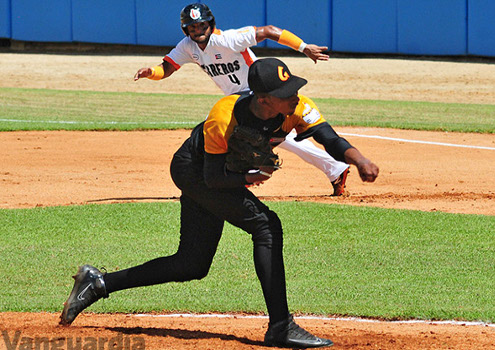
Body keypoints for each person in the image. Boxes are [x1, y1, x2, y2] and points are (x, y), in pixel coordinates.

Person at [60, 57, 379, 348]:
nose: (294, 95)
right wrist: (247, 179)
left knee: (191, 264)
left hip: (217, 175)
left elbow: (330, 138)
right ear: (264, 98)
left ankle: (98, 282)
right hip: (194, 170)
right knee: (267, 227)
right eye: (286, 91)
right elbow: (213, 179)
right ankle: (281, 326)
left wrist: (360, 159)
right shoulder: (224, 117)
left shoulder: (297, 108)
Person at [134, 3, 351, 196]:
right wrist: (150, 72)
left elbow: (269, 31)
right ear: (186, 29)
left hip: (258, 93)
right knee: (278, 137)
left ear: (211, 24)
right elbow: (167, 67)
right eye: (193, 27)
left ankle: (236, 178)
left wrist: (304, 48)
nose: (198, 30)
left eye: (202, 25)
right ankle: (335, 168)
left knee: (242, 135)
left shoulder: (228, 39)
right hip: (236, 99)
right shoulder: (187, 47)